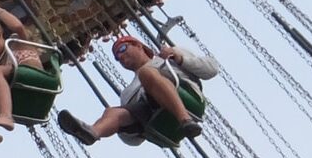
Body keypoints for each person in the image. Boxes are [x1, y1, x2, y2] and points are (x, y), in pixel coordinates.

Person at [57, 36, 216, 148]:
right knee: (113, 112)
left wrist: (180, 59)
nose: (121, 56)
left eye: (123, 48)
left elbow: (211, 69)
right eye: (117, 57)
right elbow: (133, 141)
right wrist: (130, 131)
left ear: (139, 46)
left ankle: (185, 119)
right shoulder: (128, 92)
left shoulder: (168, 56)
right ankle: (92, 132)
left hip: (187, 96)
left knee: (147, 73)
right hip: (154, 114)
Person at [0, 4, 51, 144]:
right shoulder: (1, 64)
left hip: (30, 73)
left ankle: (6, 115)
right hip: (16, 87)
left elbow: (18, 26)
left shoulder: (16, 42)